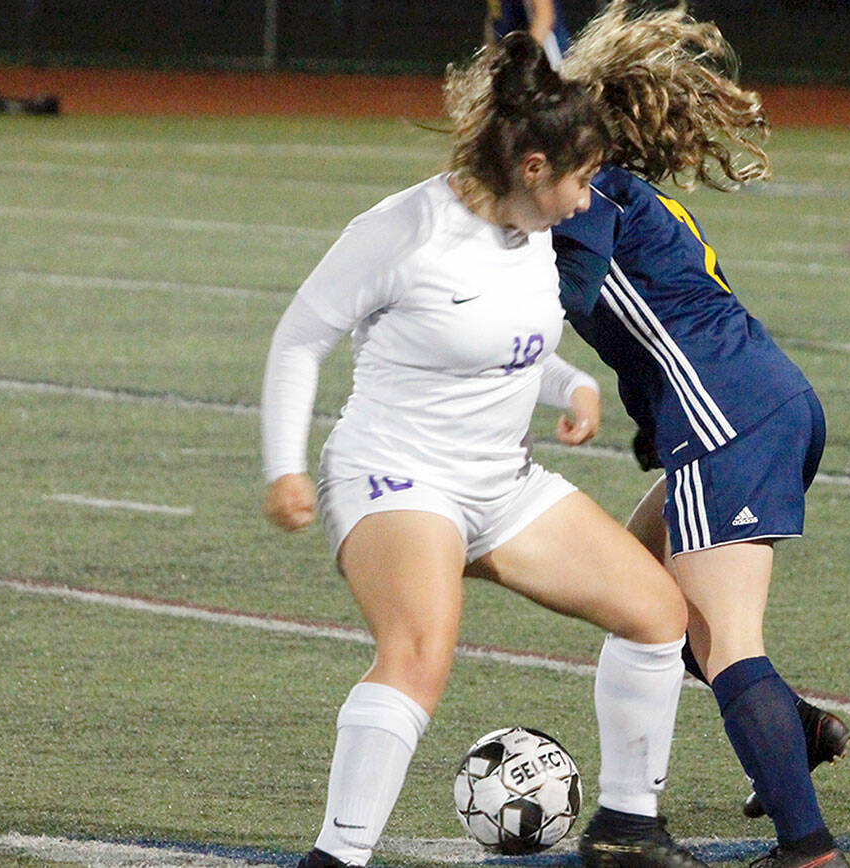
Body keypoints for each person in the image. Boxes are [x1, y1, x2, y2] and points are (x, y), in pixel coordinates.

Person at [261, 34, 706, 868]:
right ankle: (335, 858)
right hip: (399, 476)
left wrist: (569, 383)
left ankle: (627, 832)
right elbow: (299, 341)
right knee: (419, 655)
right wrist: (283, 464)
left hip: (502, 486)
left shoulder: (530, 224)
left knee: (657, 614)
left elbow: (497, 340)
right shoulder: (404, 229)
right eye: (580, 178)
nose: (586, 200)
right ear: (533, 167)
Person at [552, 4, 850, 867]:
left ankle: (808, 850)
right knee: (639, 592)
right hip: (762, 404)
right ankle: (796, 728)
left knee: (724, 642)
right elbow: (651, 324)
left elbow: (571, 297)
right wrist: (652, 423)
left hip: (729, 421)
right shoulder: (630, 191)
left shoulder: (593, 185)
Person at [484, 0, 570, 69]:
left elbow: (545, 17)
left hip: (546, 62)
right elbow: (495, 17)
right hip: (514, 63)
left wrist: (522, 62)